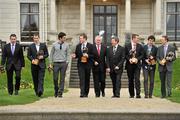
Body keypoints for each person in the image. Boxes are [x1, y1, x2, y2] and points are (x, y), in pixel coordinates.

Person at [72, 33, 93, 98]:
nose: (80, 39)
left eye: (81, 38)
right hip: (80, 65)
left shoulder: (90, 46)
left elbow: (93, 55)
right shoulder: (78, 46)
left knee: (87, 79)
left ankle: (86, 93)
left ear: (85, 38)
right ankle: (82, 92)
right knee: (81, 78)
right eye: (79, 38)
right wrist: (74, 56)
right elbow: (77, 55)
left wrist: (88, 55)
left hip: (88, 64)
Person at [49, 32, 70, 98]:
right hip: (56, 63)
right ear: (60, 38)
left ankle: (60, 92)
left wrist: (67, 62)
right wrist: (50, 63)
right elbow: (51, 54)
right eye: (64, 37)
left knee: (62, 79)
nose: (65, 39)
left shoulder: (66, 45)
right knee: (55, 78)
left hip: (63, 63)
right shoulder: (54, 44)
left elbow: (68, 54)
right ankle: (56, 90)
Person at [125, 34, 144, 98]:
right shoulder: (127, 46)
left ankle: (138, 94)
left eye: (138, 38)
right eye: (137, 38)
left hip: (137, 65)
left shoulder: (140, 46)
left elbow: (142, 55)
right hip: (129, 65)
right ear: (133, 38)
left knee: (137, 79)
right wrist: (129, 59)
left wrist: (137, 59)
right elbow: (125, 55)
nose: (138, 39)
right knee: (130, 80)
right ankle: (131, 94)